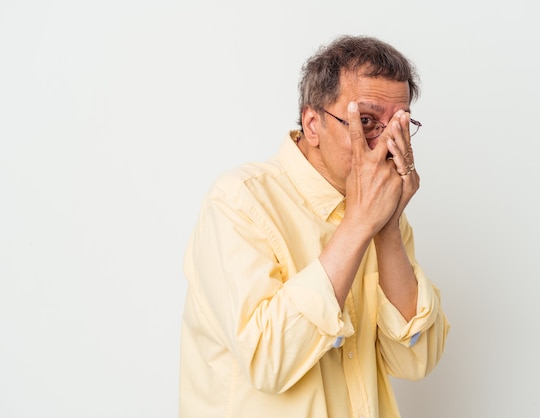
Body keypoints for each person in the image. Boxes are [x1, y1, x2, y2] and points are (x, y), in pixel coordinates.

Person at [179, 34, 450, 418]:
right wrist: (359, 226)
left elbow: (415, 360)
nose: (389, 145)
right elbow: (267, 361)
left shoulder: (383, 215)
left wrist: (387, 228)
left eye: (400, 126)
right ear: (313, 124)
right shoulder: (239, 200)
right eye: (368, 121)